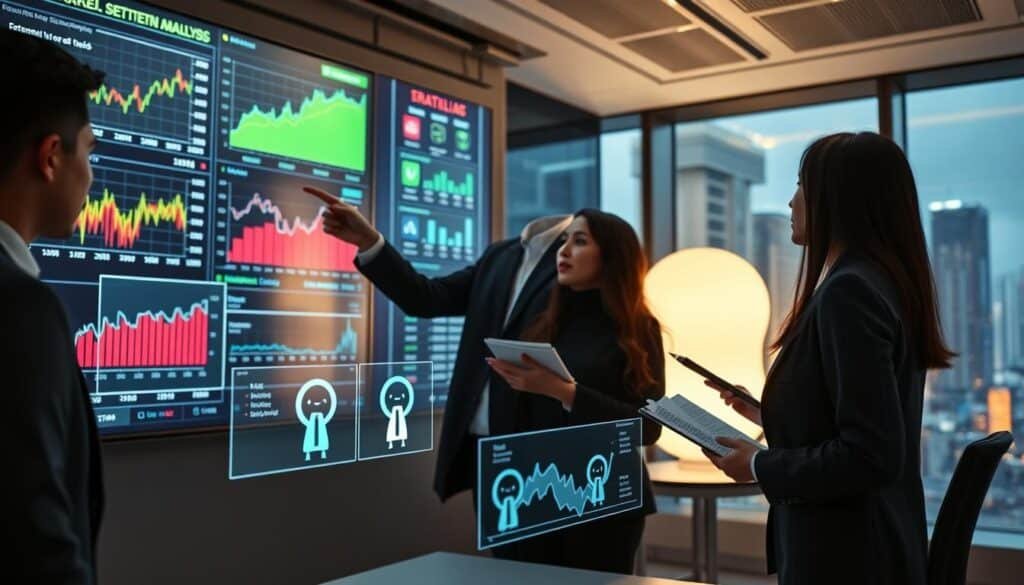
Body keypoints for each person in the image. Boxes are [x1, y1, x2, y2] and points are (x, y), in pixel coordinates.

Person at [702, 132, 954, 585]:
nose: (791, 201)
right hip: (873, 543)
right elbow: (856, 414)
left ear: (836, 199)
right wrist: (768, 412)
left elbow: (870, 453)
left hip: (847, 555)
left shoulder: (848, 291)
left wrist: (758, 465)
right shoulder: (881, 281)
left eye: (801, 185)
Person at [306, 185, 572, 504]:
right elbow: (427, 299)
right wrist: (369, 242)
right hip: (486, 452)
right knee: (500, 552)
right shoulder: (500, 256)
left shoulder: (579, 263)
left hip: (551, 455)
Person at [486, 209, 665, 573]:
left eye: (579, 241)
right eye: (564, 240)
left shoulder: (639, 328)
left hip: (603, 499)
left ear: (612, 256)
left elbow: (649, 428)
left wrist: (565, 392)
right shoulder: (542, 324)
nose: (563, 251)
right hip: (534, 492)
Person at [0, 30, 107, 584]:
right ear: (50, 157)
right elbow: (37, 542)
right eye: (87, 151)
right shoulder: (23, 309)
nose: (90, 176)